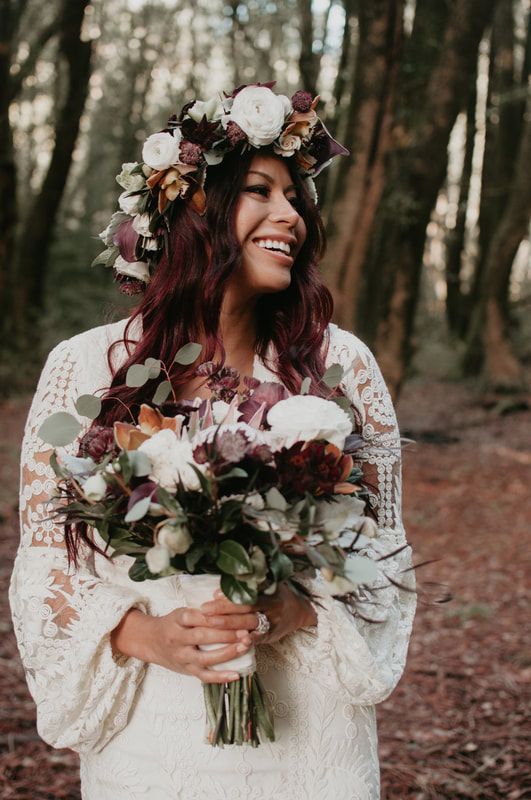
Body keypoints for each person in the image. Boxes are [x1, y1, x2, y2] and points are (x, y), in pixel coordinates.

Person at [9, 84, 416, 799]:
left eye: (295, 198)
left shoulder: (340, 365)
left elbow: (383, 550)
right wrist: (147, 636)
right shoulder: (87, 366)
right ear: (193, 209)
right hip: (152, 727)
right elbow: (48, 562)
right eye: (260, 191)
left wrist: (299, 609)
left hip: (310, 726)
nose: (290, 215)